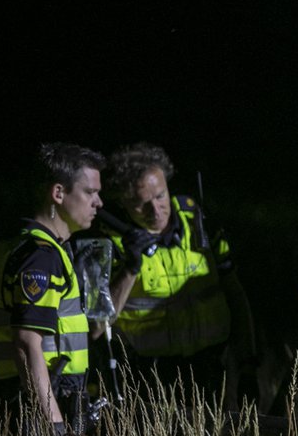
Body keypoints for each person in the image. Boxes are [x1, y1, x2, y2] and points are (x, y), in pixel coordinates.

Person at [0, 142, 106, 436]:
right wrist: (54, 429)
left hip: (21, 404)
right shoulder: (41, 256)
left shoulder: (17, 247)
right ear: (59, 193)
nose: (99, 203)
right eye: (91, 192)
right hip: (37, 412)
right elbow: (25, 343)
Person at [101, 142, 256, 404]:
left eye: (160, 196)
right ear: (123, 202)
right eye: (141, 204)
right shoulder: (112, 246)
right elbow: (100, 322)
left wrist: (249, 362)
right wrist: (130, 268)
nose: (155, 210)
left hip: (212, 367)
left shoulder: (201, 225)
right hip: (149, 379)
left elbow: (235, 294)